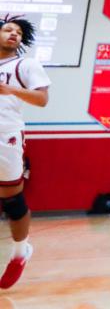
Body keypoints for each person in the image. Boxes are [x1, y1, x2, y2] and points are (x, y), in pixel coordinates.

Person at [0, 16, 51, 289]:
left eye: (18, 32)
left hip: (5, 135)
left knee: (12, 200)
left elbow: (42, 99)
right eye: (8, 29)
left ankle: (20, 254)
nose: (14, 34)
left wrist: (10, 89)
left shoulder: (25, 64)